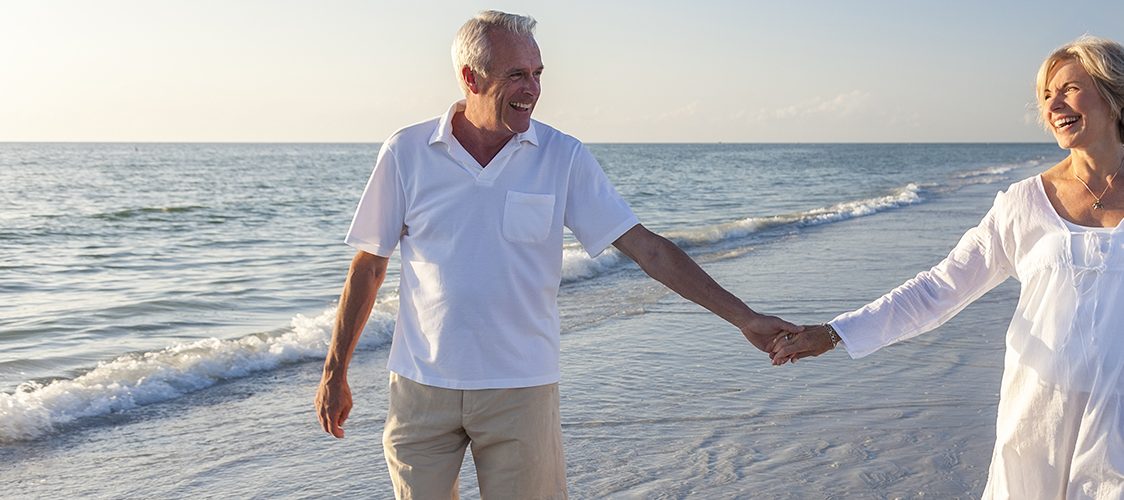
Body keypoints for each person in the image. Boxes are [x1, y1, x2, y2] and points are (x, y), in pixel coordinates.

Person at [314, 11, 800, 499]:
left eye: (538, 73)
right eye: (517, 75)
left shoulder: (561, 155)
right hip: (420, 387)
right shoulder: (407, 151)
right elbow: (369, 265)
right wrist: (336, 373)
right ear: (470, 77)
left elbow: (648, 249)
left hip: (520, 388)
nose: (533, 89)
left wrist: (743, 317)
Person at [771, 36, 1124, 500]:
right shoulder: (1022, 202)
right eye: (1046, 95)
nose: (1053, 104)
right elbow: (939, 289)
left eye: (1068, 88)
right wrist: (835, 332)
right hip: (1039, 416)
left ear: (1113, 94)